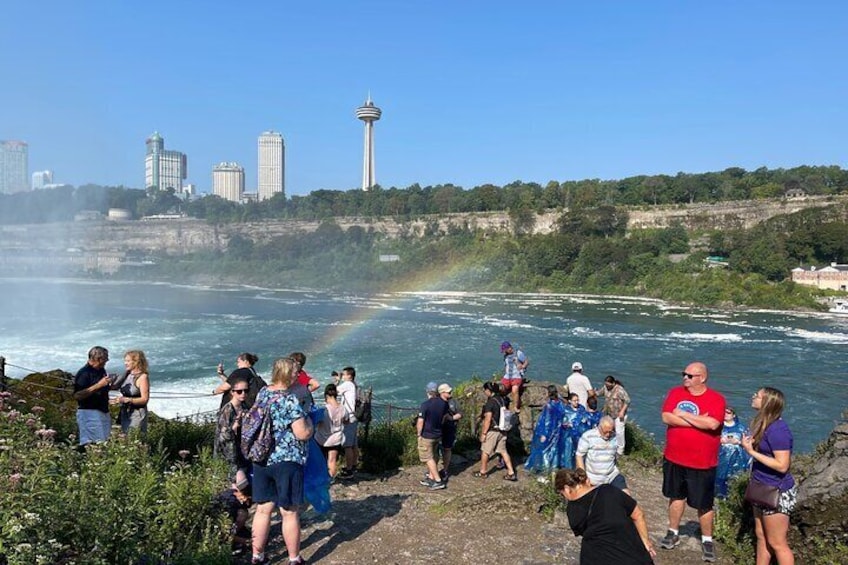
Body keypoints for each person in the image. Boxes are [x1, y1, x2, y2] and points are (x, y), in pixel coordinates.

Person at [249, 357, 313, 565]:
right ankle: (294, 558)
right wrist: (310, 426)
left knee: (262, 509)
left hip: (261, 458)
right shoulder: (290, 399)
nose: (298, 375)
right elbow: (301, 433)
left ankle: (257, 556)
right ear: (287, 374)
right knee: (289, 511)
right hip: (286, 460)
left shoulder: (263, 393)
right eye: (295, 372)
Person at [659, 361, 725, 563]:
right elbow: (666, 417)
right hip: (675, 457)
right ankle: (673, 531)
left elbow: (713, 423)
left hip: (702, 462)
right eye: (684, 374)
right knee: (675, 496)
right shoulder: (675, 393)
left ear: (702, 378)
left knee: (704, 503)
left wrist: (684, 415)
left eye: (689, 375)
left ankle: (706, 540)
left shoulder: (716, 399)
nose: (685, 378)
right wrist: (698, 421)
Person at [741, 387, 796, 565]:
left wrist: (751, 452)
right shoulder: (764, 425)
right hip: (761, 487)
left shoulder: (778, 430)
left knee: (777, 542)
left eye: (757, 395)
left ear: (766, 402)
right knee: (761, 535)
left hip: (776, 490)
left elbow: (782, 465)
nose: (753, 396)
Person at [557, 468, 656, 564]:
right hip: (634, 556)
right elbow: (638, 514)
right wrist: (645, 541)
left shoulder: (573, 510)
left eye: (562, 494)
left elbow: (583, 531)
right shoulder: (609, 490)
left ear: (566, 489)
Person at [475, 381, 517, 481]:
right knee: (503, 451)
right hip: (503, 430)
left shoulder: (490, 402)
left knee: (485, 451)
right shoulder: (502, 399)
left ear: (488, 390)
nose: (485, 392)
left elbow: (488, 419)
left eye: (485, 390)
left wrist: (484, 433)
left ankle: (483, 471)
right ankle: (511, 472)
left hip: (493, 431)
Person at [576, 416, 628, 493]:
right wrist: (583, 477)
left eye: (610, 432)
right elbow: (579, 456)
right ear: (599, 428)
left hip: (612, 475)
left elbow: (619, 451)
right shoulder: (588, 436)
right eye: (605, 432)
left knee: (627, 499)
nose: (608, 435)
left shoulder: (614, 437)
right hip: (594, 479)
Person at [72, 346, 113, 446]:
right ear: (99, 359)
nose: (107, 361)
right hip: (89, 412)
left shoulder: (101, 370)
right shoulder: (84, 373)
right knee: (93, 444)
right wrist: (99, 385)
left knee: (104, 443)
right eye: (105, 359)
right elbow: (77, 395)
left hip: (102, 410)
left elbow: (102, 388)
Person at [525, 384, 570, 475]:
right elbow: (563, 414)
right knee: (555, 449)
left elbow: (547, 421)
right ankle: (553, 468)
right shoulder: (560, 403)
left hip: (549, 431)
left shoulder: (549, 406)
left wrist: (543, 434)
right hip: (557, 430)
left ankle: (544, 469)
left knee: (544, 450)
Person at [215, 376, 251, 485]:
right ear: (232, 392)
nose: (243, 394)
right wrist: (234, 427)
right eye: (239, 391)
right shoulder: (227, 410)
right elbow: (222, 436)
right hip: (229, 455)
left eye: (246, 390)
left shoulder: (244, 406)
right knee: (235, 484)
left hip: (241, 452)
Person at [110, 349, 150, 434]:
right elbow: (115, 387)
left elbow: (145, 399)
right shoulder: (127, 374)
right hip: (125, 412)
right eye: (125, 361)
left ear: (136, 362)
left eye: (128, 361)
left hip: (137, 414)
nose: (125, 363)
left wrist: (127, 400)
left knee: (135, 438)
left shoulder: (143, 377)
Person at [417, 381, 448, 490]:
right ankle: (431, 477)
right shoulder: (443, 403)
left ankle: (438, 481)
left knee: (427, 457)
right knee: (434, 455)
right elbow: (444, 418)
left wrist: (418, 434)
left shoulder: (425, 405)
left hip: (427, 435)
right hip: (438, 434)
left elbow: (420, 421)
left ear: (428, 392)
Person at [313, 383, 348, 480]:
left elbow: (316, 422)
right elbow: (347, 421)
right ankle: (330, 479)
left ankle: (321, 479)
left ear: (326, 396)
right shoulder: (343, 408)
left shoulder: (324, 410)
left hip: (322, 439)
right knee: (332, 460)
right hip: (336, 439)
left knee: (320, 460)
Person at [715, 406, 751, 498]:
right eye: (724, 412)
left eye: (728, 412)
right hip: (721, 457)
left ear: (734, 415)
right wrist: (719, 440)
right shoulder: (717, 426)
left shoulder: (741, 428)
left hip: (737, 459)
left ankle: (733, 498)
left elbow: (749, 442)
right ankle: (719, 497)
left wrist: (739, 442)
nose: (726, 414)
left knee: (734, 478)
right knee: (719, 478)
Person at [336, 366, 359, 478]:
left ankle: (349, 470)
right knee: (354, 444)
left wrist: (337, 381)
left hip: (348, 418)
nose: (342, 376)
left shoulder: (347, 384)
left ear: (349, 375)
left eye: (344, 374)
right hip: (354, 417)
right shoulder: (354, 384)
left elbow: (333, 392)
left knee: (347, 446)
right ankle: (354, 465)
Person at [597, 375, 629, 453]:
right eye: (606, 385)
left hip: (619, 415)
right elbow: (598, 393)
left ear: (613, 383)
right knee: (609, 430)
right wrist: (593, 393)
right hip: (609, 414)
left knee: (619, 432)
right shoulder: (605, 388)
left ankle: (620, 451)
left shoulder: (620, 390)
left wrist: (622, 412)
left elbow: (627, 401)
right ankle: (610, 447)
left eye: (608, 385)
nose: (607, 387)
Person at [563, 392, 593, 468]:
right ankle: (569, 469)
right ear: (570, 401)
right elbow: (562, 422)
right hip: (569, 436)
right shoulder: (566, 410)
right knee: (568, 453)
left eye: (577, 400)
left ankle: (579, 467)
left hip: (579, 435)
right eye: (574, 400)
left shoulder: (581, 408)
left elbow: (587, 418)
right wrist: (567, 424)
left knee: (579, 452)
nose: (576, 402)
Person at [439, 383, 461, 480]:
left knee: (447, 449)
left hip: (450, 428)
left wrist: (451, 418)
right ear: (442, 393)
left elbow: (460, 413)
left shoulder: (454, 402)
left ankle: (445, 470)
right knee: (435, 449)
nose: (451, 393)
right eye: (448, 392)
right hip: (438, 429)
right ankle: (434, 470)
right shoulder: (437, 402)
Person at [500, 341, 528, 411]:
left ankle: (515, 407)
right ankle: (502, 404)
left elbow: (526, 361)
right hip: (507, 376)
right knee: (500, 389)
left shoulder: (518, 353)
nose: (504, 352)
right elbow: (506, 366)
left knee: (514, 390)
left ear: (509, 348)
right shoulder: (505, 356)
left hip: (516, 376)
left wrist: (523, 366)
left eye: (505, 350)